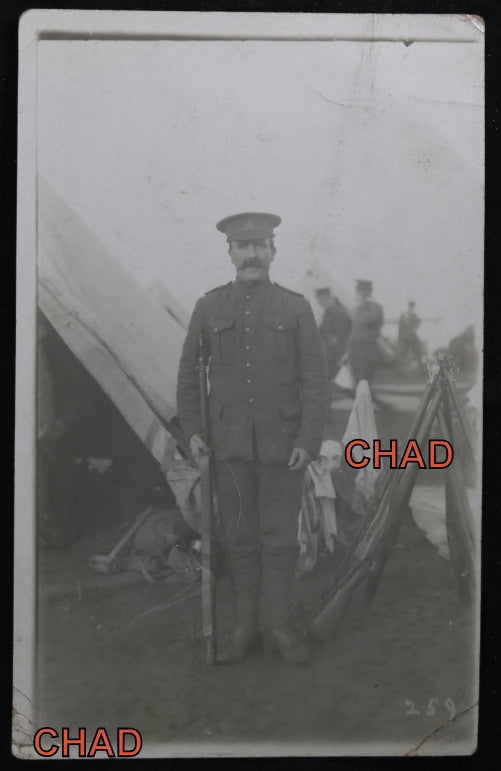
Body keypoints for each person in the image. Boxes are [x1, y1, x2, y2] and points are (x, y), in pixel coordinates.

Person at [176, 212, 329, 664]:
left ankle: (280, 625)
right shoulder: (208, 307)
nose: (252, 254)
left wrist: (308, 437)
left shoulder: (296, 307)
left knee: (280, 540)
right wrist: (194, 432)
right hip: (228, 448)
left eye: (260, 245)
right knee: (239, 539)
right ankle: (245, 629)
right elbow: (188, 376)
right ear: (229, 253)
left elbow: (316, 381)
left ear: (273, 251)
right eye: (243, 247)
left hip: (284, 447)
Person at [346, 279, 384, 388]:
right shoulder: (358, 309)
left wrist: (362, 305)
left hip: (367, 350)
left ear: (368, 293)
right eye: (358, 292)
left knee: (364, 385)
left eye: (360, 292)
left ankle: (366, 404)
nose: (358, 295)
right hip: (355, 351)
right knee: (357, 385)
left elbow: (365, 320)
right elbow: (354, 330)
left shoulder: (375, 308)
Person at [314, 287, 352, 379]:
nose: (319, 303)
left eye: (320, 300)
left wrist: (340, 358)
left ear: (326, 298)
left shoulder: (338, 313)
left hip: (336, 361)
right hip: (328, 358)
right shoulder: (328, 313)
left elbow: (342, 338)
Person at [396, 300, 423, 373]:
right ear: (409, 306)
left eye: (412, 306)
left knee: (418, 351)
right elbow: (400, 326)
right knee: (402, 353)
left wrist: (414, 328)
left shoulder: (414, 314)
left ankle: (421, 369)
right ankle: (399, 371)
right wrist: (402, 336)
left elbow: (418, 322)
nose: (412, 307)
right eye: (411, 305)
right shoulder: (404, 314)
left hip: (412, 335)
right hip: (405, 336)